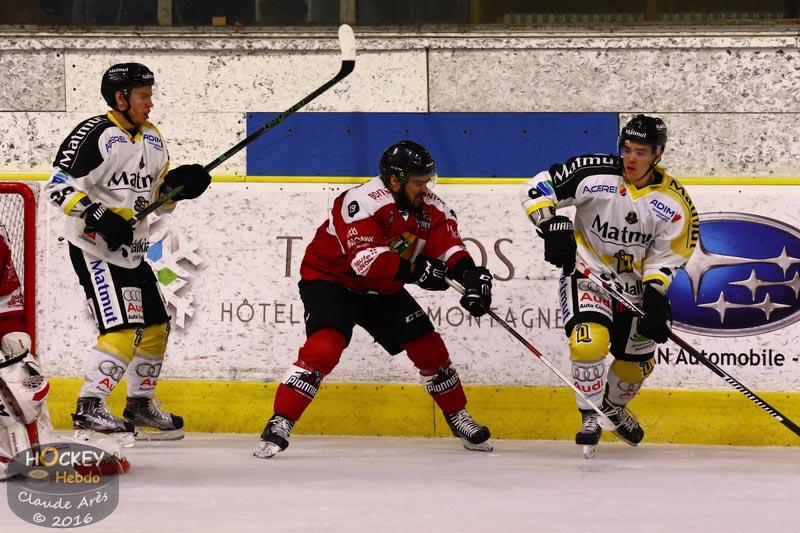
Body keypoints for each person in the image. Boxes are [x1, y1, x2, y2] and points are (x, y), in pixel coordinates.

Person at [254, 140, 495, 458]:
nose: (425, 188)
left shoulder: (430, 207)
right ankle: (281, 420)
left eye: (427, 181)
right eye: (418, 182)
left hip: (382, 288)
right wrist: (418, 272)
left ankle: (458, 416)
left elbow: (450, 246)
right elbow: (367, 262)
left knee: (430, 348)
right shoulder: (361, 200)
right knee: (325, 346)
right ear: (395, 180)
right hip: (332, 280)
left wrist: (471, 276)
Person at [45, 63, 212, 442]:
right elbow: (56, 186)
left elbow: (154, 200)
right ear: (120, 98)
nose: (150, 103)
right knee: (123, 328)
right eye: (143, 96)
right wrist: (98, 215)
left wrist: (176, 190)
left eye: (150, 95)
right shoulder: (96, 134)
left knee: (155, 326)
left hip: (132, 251)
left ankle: (139, 404)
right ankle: (89, 407)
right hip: (95, 248)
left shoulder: (153, 138)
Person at [519, 115, 699, 454]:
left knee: (635, 367)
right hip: (588, 277)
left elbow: (668, 255)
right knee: (588, 344)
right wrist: (550, 224)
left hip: (635, 291)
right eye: (626, 149)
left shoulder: (675, 203)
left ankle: (612, 407)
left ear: (658, 155)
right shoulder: (593, 173)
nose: (630, 158)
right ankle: (590, 415)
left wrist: (655, 293)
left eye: (641, 152)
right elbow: (536, 187)